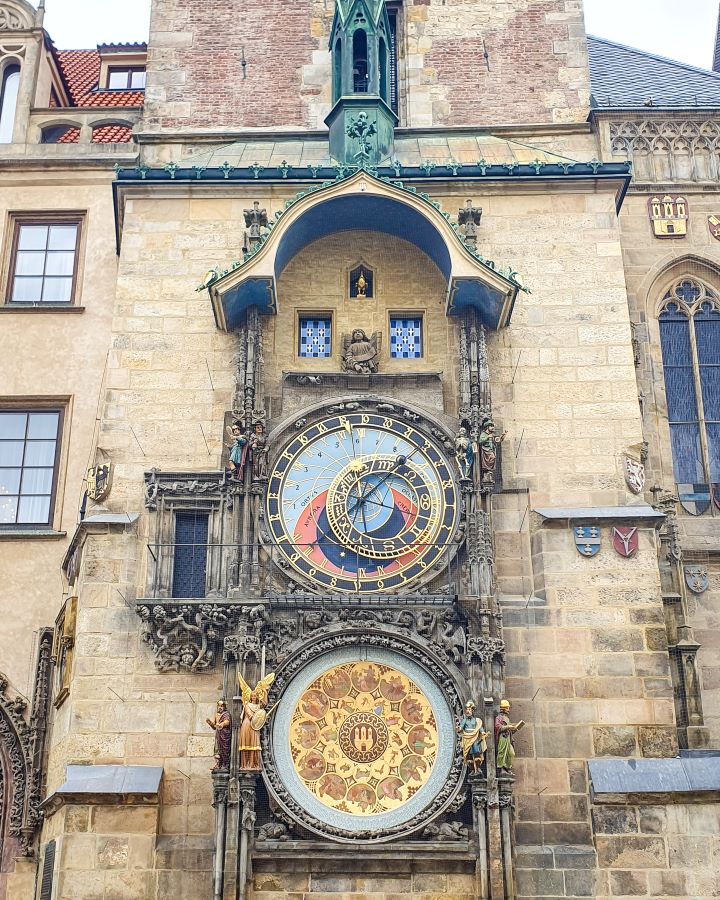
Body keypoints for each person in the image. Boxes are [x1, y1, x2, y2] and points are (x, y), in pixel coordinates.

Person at [456, 700, 488, 774]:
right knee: (468, 755)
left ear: (472, 710)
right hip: (467, 738)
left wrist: (482, 732)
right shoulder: (464, 721)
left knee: (477, 752)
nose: (468, 711)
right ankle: (472, 770)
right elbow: (461, 728)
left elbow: (479, 727)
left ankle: (478, 768)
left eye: (469, 709)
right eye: (467, 709)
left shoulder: (476, 720)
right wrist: (458, 729)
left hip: (475, 739)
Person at [495, 699, 522, 775]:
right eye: (507, 708)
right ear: (503, 709)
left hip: (508, 738)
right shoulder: (499, 717)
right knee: (502, 753)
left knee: (511, 753)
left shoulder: (507, 718)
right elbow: (498, 727)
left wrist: (515, 728)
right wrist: (508, 727)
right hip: (503, 738)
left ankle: (508, 768)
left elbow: (510, 730)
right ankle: (502, 769)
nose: (509, 710)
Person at [206, 700, 232, 771]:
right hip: (218, 734)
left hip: (224, 735)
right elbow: (214, 726)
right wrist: (210, 723)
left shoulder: (226, 714)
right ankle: (218, 764)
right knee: (217, 750)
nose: (220, 708)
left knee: (225, 749)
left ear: (224, 707)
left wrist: (221, 724)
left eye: (221, 706)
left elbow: (227, 722)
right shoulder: (216, 714)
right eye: (219, 706)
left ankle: (225, 765)